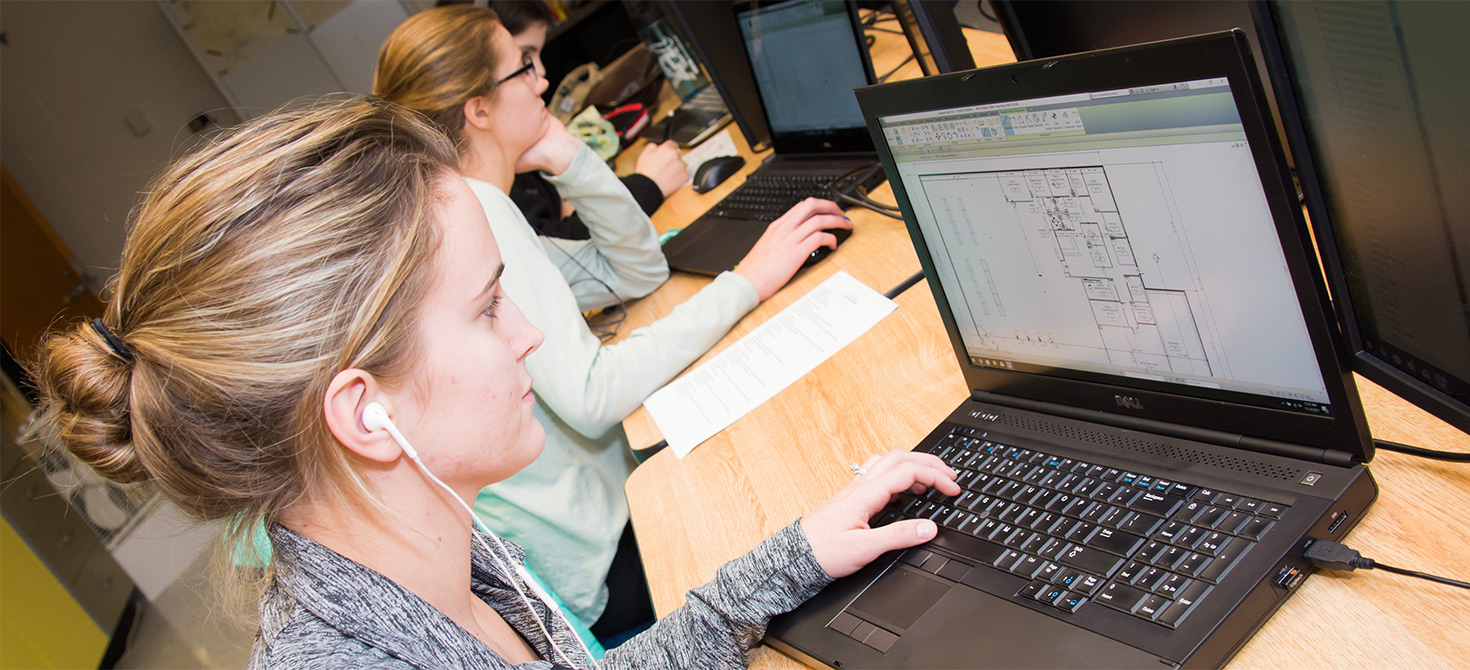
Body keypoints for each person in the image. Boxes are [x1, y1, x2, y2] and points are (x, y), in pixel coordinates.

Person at [29, 98, 956, 669]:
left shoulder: (431, 544)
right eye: (485, 310)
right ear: (365, 411)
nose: (527, 337)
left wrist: (787, 560)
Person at [372, 5, 852, 642]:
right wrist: (749, 281)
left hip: (601, 525)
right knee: (812, 480)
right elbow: (594, 394)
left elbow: (635, 271)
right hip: (610, 559)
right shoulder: (476, 212)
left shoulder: (478, 206)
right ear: (478, 110)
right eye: (525, 67)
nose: (544, 80)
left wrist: (570, 156)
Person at [440, 0, 690, 241]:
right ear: (478, 109)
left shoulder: (519, 152)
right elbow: (565, 247)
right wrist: (648, 186)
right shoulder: (477, 204)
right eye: (523, 60)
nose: (541, 76)